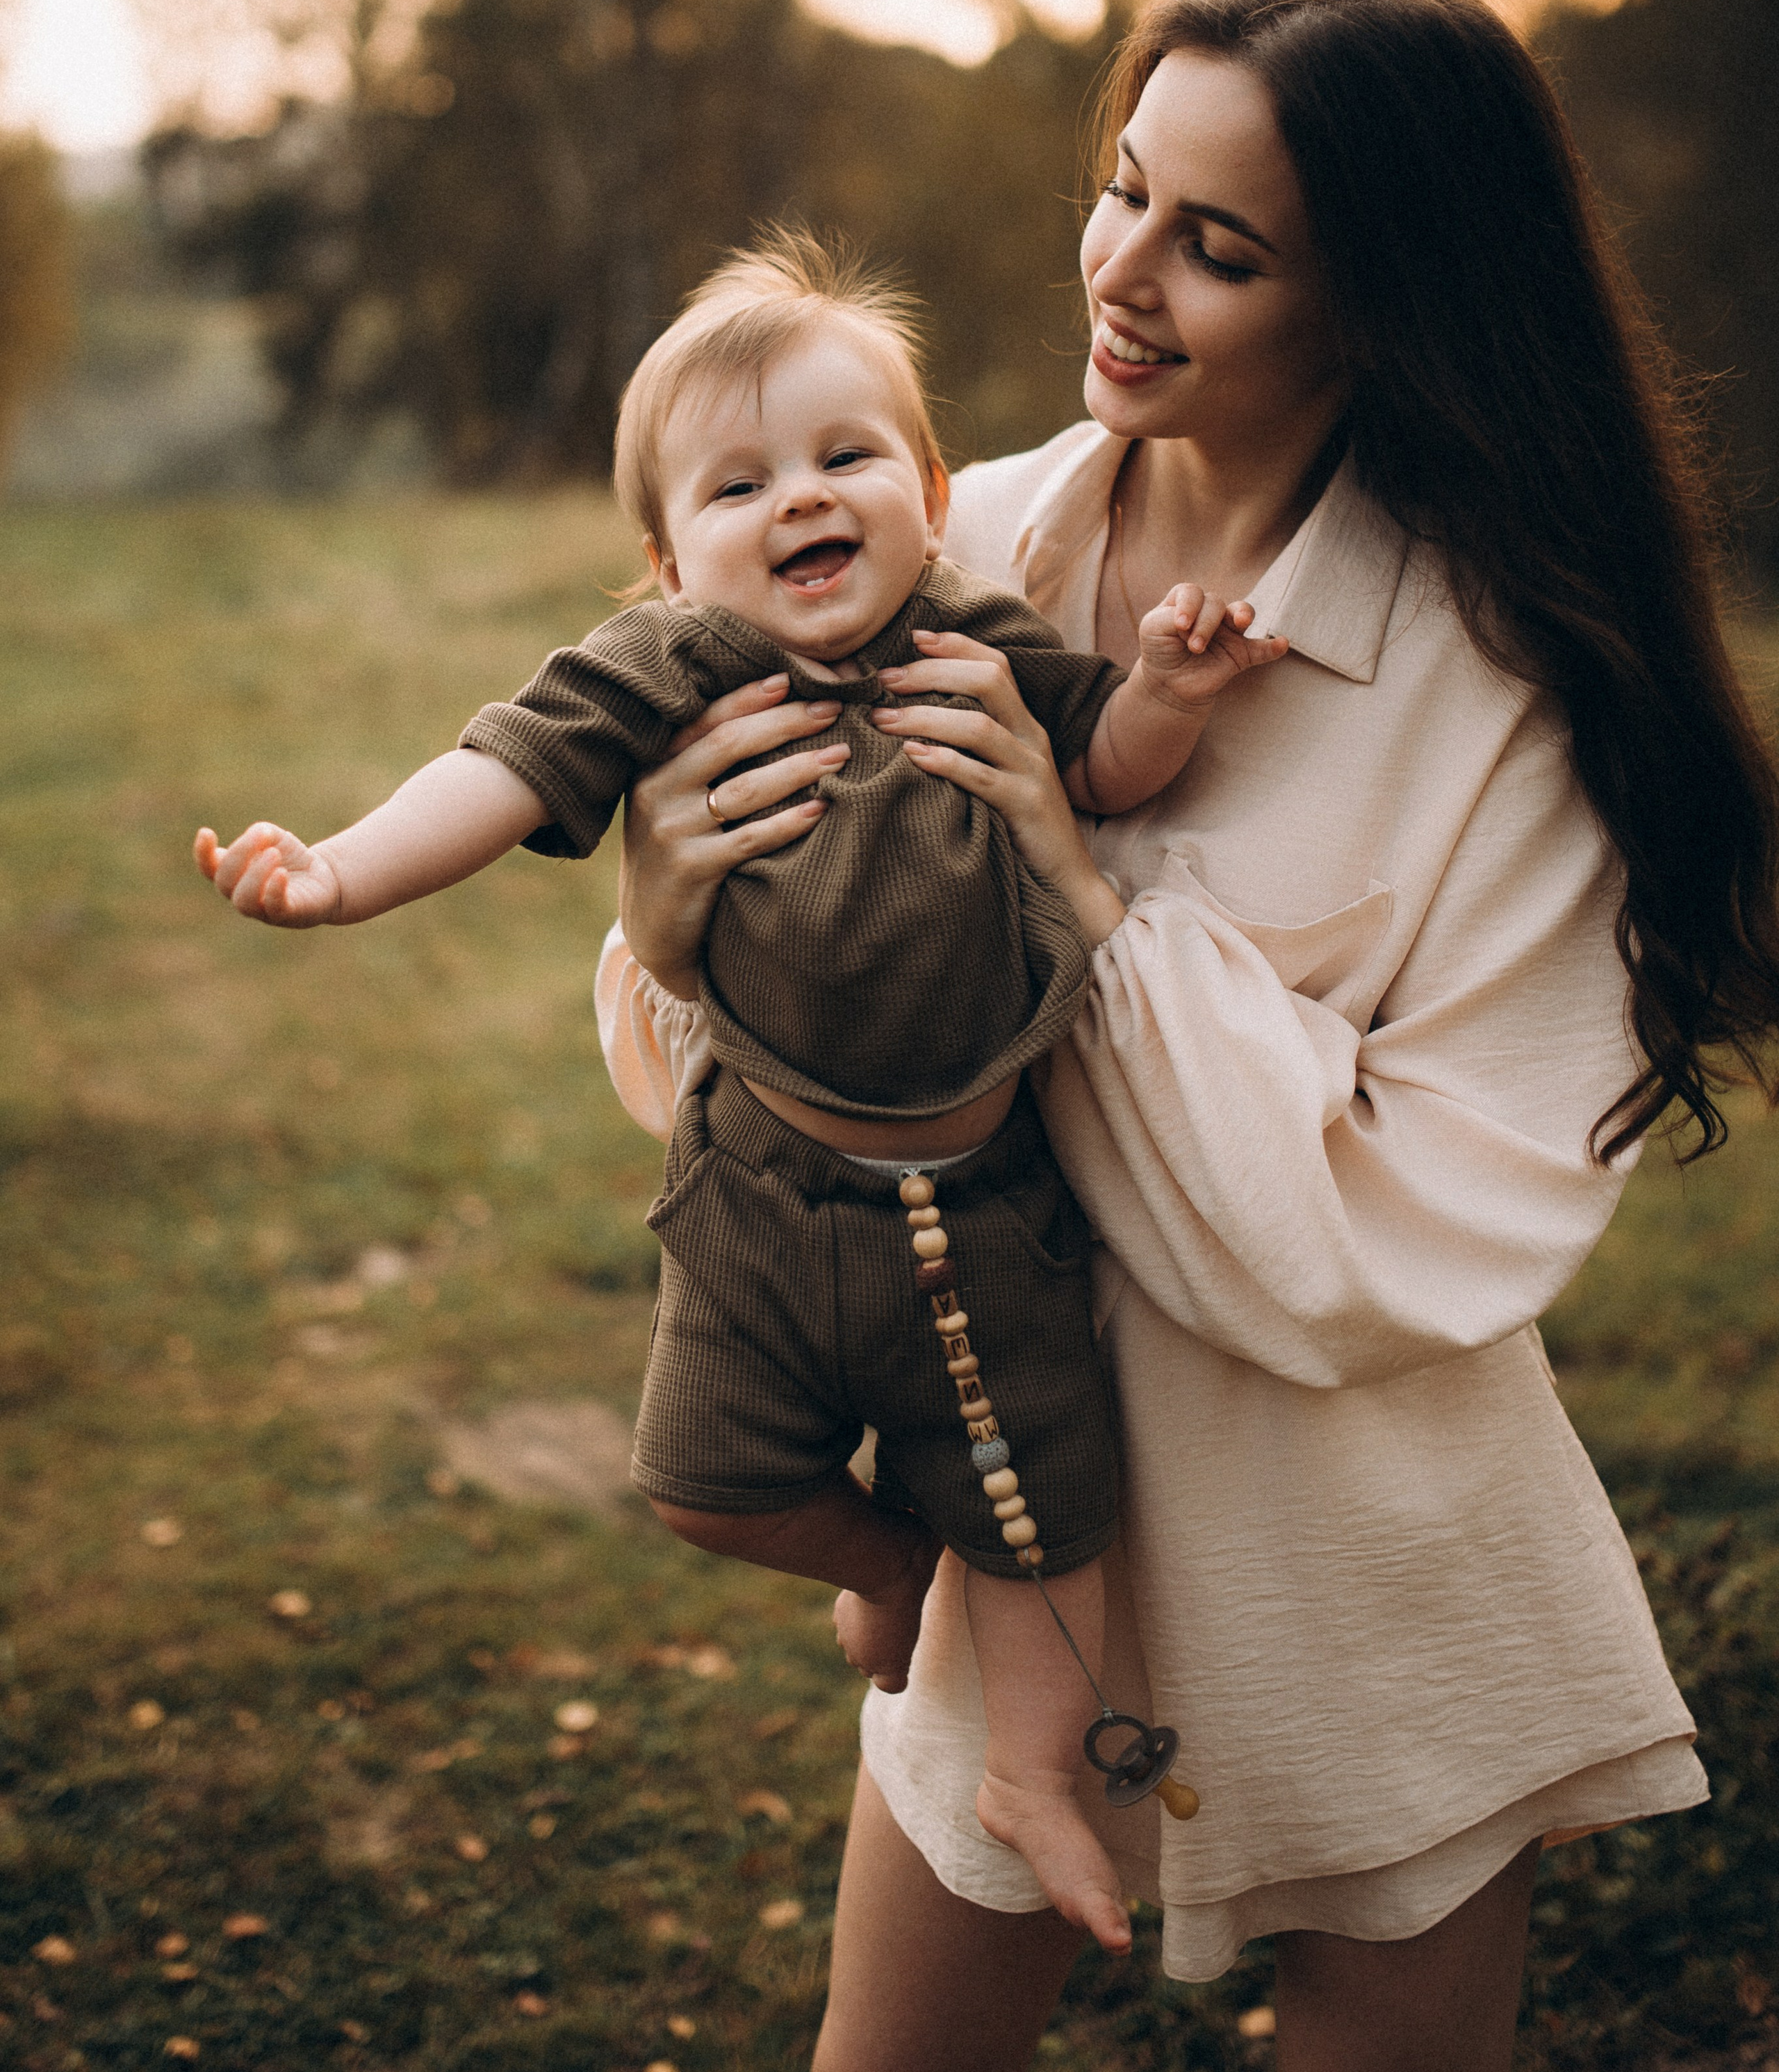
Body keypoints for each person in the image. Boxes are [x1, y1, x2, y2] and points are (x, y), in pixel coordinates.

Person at [596, 0, 1779, 2072]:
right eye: (1121, 188)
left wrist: (1078, 896)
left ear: (1381, 302)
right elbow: (771, 1096)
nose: (1121, 273)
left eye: (1216, 246)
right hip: (1019, 1533)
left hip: (1370, 1573)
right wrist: (675, 929)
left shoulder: (1507, 688)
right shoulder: (942, 535)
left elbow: (1413, 1230)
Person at [194, 231, 1284, 1954]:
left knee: (1044, 1506)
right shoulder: (669, 670)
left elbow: (1100, 762)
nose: (801, 500)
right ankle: (883, 1563)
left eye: (847, 457)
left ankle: (1029, 1774)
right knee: (701, 1477)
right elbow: (497, 768)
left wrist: (1164, 691)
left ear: (927, 488)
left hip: (987, 1201)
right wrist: (339, 872)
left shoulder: (974, 640)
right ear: (667, 556)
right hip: (757, 1196)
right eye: (738, 482)